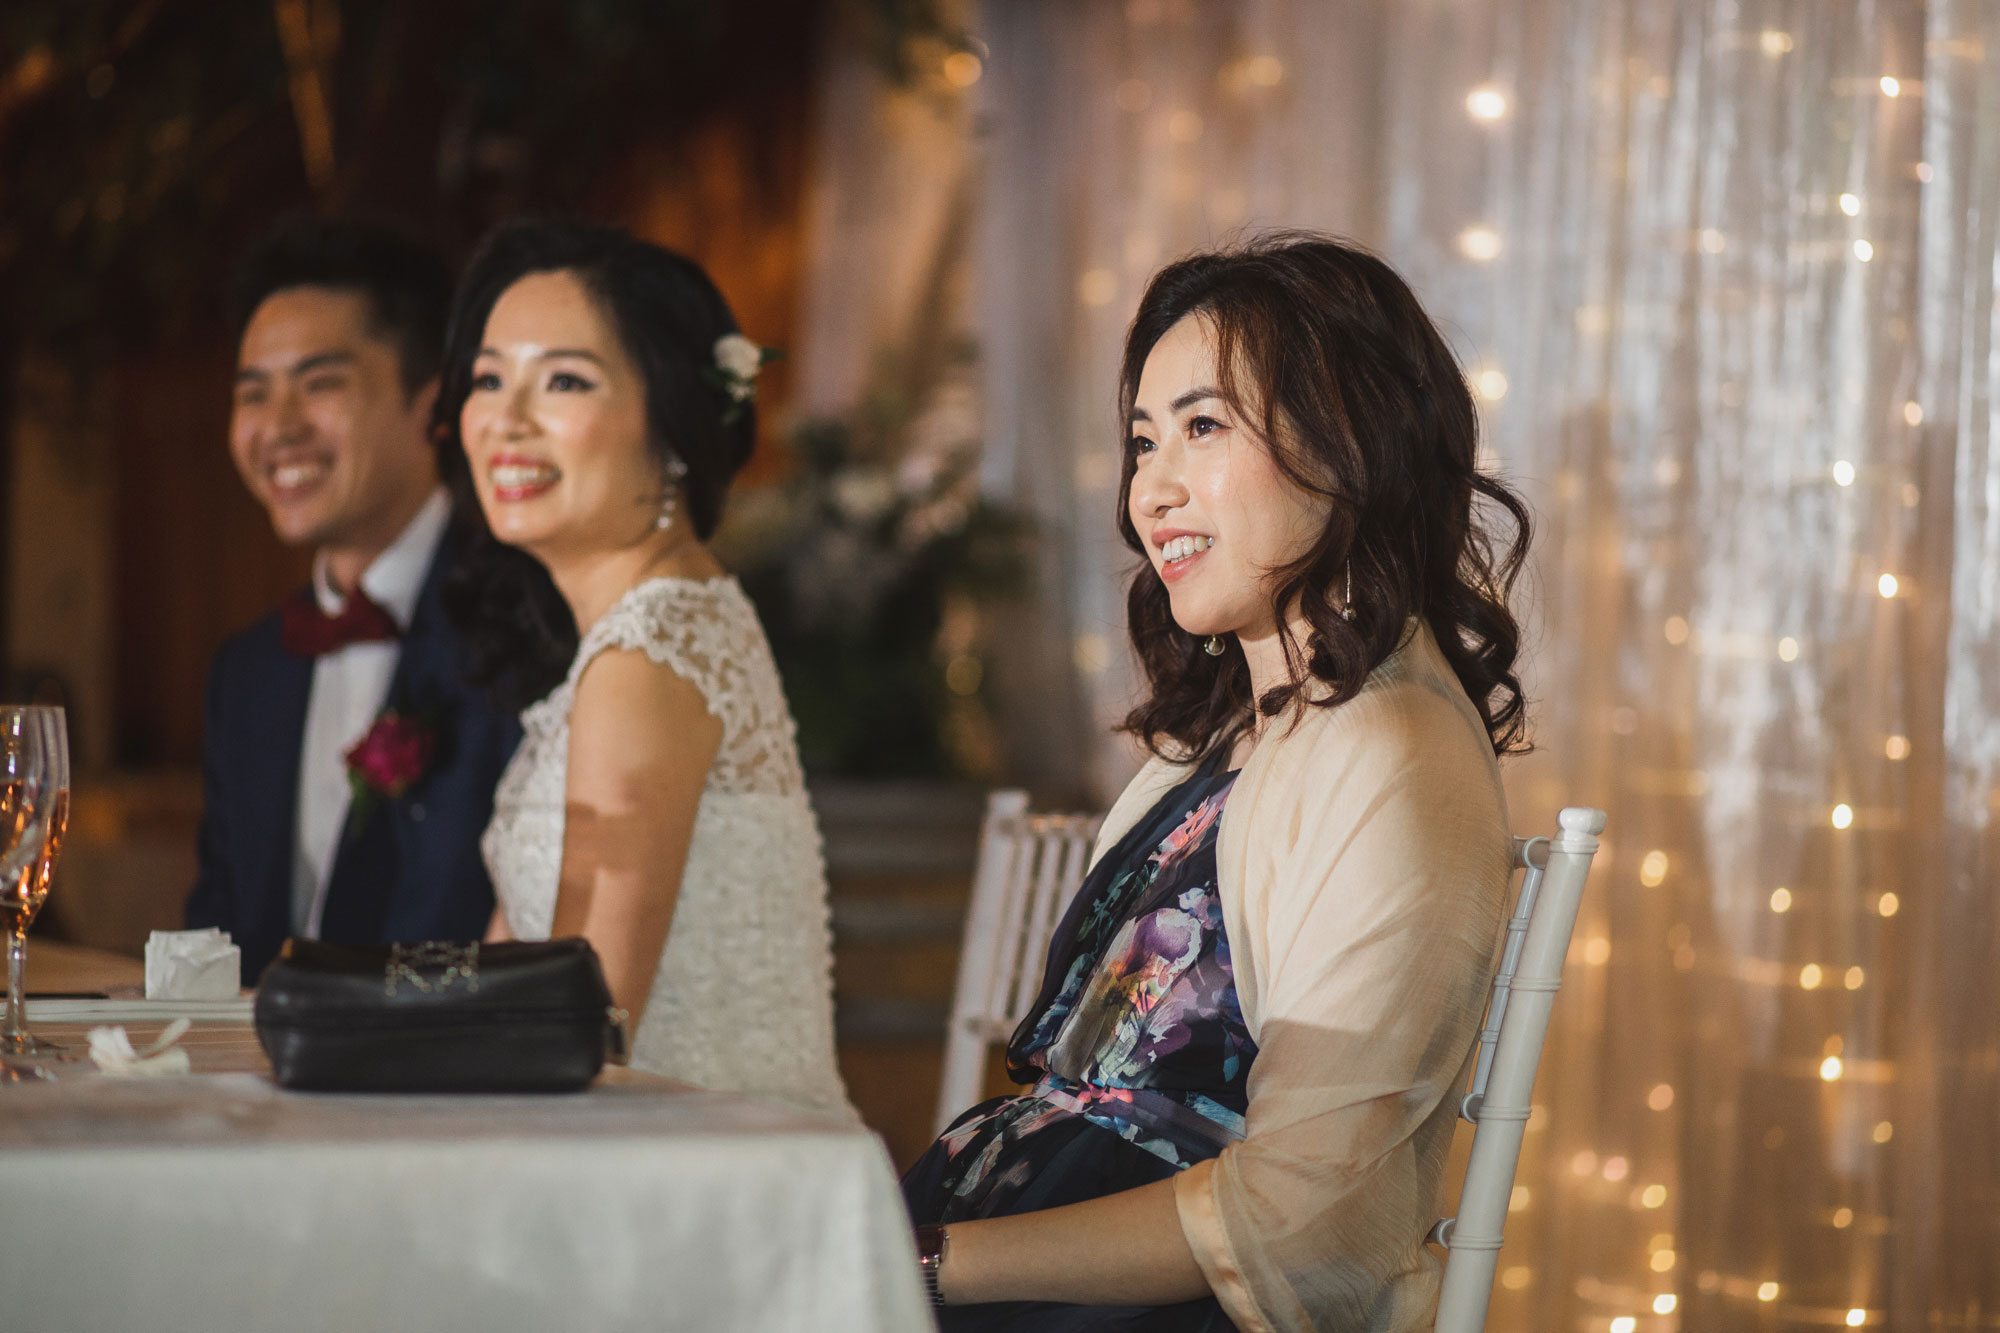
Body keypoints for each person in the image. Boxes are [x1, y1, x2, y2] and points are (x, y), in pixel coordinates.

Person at [901, 233, 1534, 1331]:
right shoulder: (1238, 734)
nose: (1152, 487)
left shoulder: (1388, 754)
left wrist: (922, 1263)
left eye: (1202, 426)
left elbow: (1306, 1214)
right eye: (1142, 441)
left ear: (1351, 442)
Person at [440, 218, 850, 1115]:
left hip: (686, 1184)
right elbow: (505, 979)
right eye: (487, 378)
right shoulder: (658, 629)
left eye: (563, 380)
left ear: (672, 424)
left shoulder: (646, 655)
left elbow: (579, 1021)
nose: (505, 421)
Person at [187, 219, 521, 983]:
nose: (279, 428)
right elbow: (216, 935)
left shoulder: (516, 628)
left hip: (457, 1090)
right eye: (253, 393)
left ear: (433, 407)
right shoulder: (248, 669)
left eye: (320, 384)